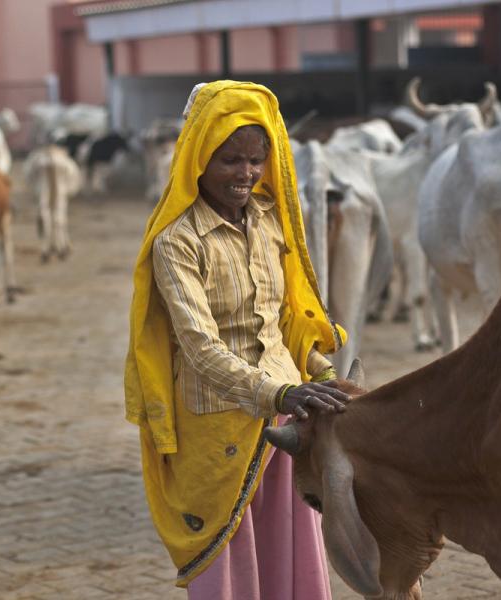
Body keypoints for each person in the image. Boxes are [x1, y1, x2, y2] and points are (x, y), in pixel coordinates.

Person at [124, 81, 352, 599]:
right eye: (230, 160)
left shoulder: (272, 223)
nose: (245, 174)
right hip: (216, 430)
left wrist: (318, 371)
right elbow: (200, 348)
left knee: (288, 560)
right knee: (227, 566)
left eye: (255, 160)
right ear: (199, 156)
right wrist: (280, 393)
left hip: (285, 423)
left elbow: (277, 324)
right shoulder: (176, 242)